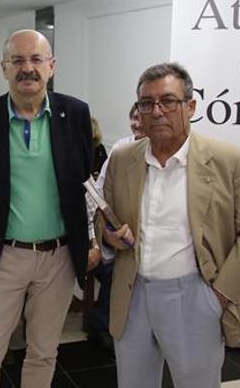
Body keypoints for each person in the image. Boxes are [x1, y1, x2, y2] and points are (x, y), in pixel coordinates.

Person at [99, 62, 240, 388]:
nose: (157, 111)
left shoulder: (231, 161)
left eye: (168, 101)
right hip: (132, 295)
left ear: (190, 106)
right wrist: (108, 236)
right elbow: (105, 219)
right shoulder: (124, 158)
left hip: (194, 296)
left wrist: (217, 298)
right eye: (147, 104)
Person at [0, 29, 99, 388]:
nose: (28, 68)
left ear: (51, 66)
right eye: (18, 60)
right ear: (3, 67)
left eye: (36, 59)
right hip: (5, 253)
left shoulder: (76, 113)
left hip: (59, 256)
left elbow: (83, 179)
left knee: (44, 351)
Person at [86, 104, 145, 354]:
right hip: (113, 232)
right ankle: (101, 327)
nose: (136, 123)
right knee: (114, 272)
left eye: (140, 117)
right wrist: (101, 237)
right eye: (133, 117)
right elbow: (99, 196)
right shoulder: (121, 150)